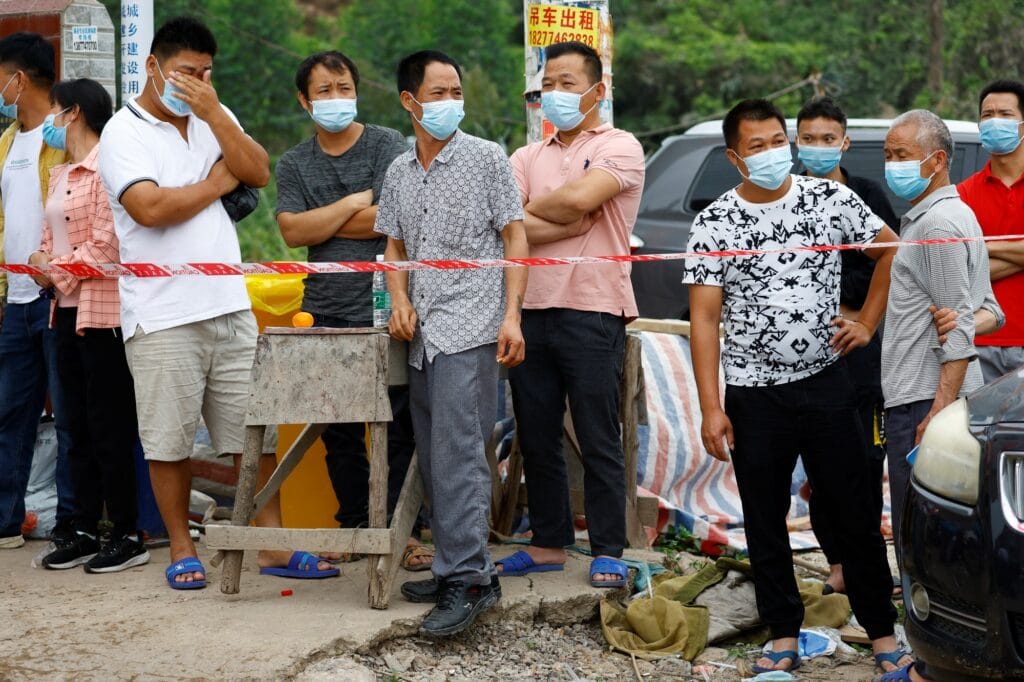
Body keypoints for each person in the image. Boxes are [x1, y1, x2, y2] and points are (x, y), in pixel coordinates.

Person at [98, 16, 335, 589]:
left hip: (228, 305)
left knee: (253, 433)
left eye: (206, 73)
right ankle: (183, 549)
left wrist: (211, 116)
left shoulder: (212, 115)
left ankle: (272, 546)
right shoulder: (121, 133)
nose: (197, 82)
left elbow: (255, 168)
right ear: (154, 67)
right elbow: (150, 209)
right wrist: (214, 185)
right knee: (169, 439)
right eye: (186, 72)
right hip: (161, 314)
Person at [684, 99, 908, 674]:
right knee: (763, 516)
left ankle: (883, 636)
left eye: (776, 141)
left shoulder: (829, 199)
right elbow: (705, 319)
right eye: (756, 147)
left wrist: (868, 322)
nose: (772, 154)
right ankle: (783, 634)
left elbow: (889, 249)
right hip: (755, 396)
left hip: (826, 383)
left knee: (855, 509)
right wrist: (711, 407)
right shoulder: (715, 222)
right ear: (736, 158)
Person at [375, 50, 528, 636]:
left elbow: (515, 237)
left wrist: (511, 316)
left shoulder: (487, 158)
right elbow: (393, 248)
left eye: (455, 91)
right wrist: (400, 299)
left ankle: (470, 579)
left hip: (472, 323)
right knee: (436, 450)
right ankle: (452, 567)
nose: (449, 103)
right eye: (437, 93)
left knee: (462, 452)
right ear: (409, 102)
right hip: (422, 332)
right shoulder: (397, 171)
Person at [275, 51, 430, 570]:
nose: (336, 98)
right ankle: (355, 525)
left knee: (398, 421)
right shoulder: (295, 162)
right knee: (337, 428)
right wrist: (351, 205)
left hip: (388, 303)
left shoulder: (387, 143)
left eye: (344, 87)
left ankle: (404, 530)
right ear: (304, 100)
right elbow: (292, 232)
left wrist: (325, 219)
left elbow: (394, 220)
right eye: (324, 90)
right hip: (323, 308)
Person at [504, 41, 645, 586]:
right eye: (549, 84)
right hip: (529, 306)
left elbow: (572, 203)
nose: (554, 94)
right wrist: (563, 221)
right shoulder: (523, 157)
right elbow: (512, 227)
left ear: (596, 91)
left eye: (567, 82)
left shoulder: (620, 146)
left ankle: (608, 546)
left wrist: (534, 218)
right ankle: (548, 542)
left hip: (593, 305)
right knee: (536, 431)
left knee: (596, 432)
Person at [25, 79, 148, 572]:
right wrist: (43, 263)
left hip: (102, 313)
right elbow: (45, 240)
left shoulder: (106, 169)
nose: (49, 121)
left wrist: (51, 268)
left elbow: (105, 248)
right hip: (62, 308)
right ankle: (79, 528)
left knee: (109, 425)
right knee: (73, 424)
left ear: (73, 112)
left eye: (54, 110)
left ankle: (125, 531)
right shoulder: (59, 174)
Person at [880, 110, 1002, 578]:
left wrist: (938, 411)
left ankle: (930, 639)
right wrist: (964, 320)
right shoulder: (951, 214)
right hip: (933, 398)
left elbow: (959, 328)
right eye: (889, 155)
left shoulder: (938, 226)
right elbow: (990, 310)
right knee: (939, 525)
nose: (893, 165)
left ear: (936, 161)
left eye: (903, 155)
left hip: (925, 400)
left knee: (923, 530)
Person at [794, 96, 900, 596]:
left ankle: (867, 566)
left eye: (827, 139)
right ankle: (838, 563)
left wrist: (858, 315)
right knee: (821, 469)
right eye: (808, 138)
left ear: (845, 141)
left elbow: (884, 260)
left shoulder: (867, 195)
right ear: (797, 141)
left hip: (860, 359)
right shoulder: (783, 197)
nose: (818, 147)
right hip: (805, 363)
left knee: (863, 465)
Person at [0, 31, 75, 550]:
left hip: (61, 298)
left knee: (71, 418)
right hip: (15, 301)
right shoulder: (4, 141)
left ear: (18, 79)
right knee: (9, 414)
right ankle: (5, 520)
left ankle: (73, 523)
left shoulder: (67, 134)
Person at [958, 79, 1024, 383]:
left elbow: (973, 260)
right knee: (973, 430)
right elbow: (960, 270)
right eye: (987, 114)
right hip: (978, 340)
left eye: (1005, 114)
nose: (995, 121)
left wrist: (982, 246)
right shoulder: (962, 195)